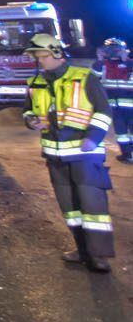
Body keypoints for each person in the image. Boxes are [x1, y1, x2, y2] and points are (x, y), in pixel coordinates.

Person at [22, 32, 115, 273]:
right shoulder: (36, 83)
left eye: (41, 56)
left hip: (85, 155)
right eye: (36, 57)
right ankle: (82, 250)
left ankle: (98, 256)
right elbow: (28, 111)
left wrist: (93, 139)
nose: (38, 61)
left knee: (93, 207)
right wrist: (31, 121)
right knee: (70, 208)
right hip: (55, 156)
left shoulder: (84, 77)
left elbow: (104, 111)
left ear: (56, 53)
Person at [91, 36, 133, 164]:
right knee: (121, 133)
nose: (112, 52)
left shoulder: (130, 64)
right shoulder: (102, 65)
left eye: (116, 49)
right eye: (109, 49)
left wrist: (126, 61)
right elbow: (93, 78)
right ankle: (126, 154)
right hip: (113, 107)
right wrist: (99, 60)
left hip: (131, 106)